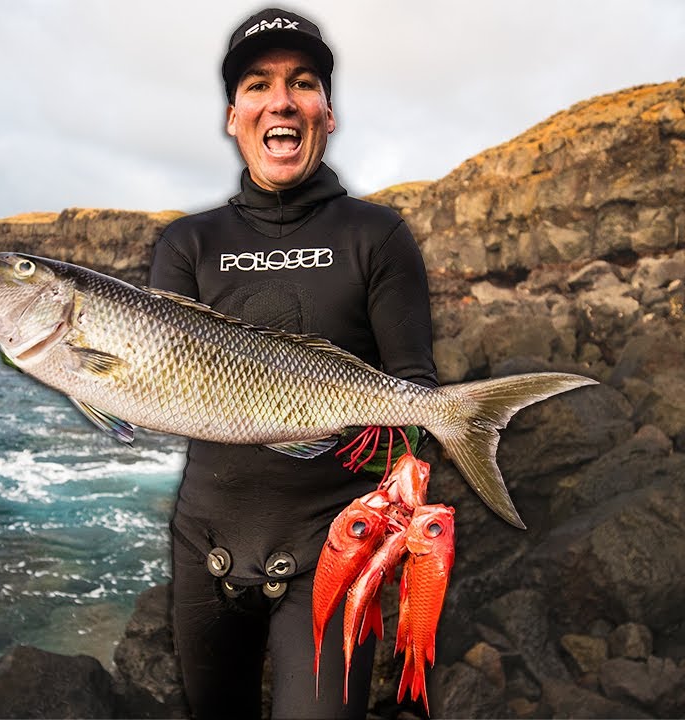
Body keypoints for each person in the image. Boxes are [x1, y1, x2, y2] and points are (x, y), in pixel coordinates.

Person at [148, 7, 437, 718]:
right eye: (258, 84)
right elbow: (157, 382)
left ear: (327, 113)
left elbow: (417, 392)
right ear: (232, 115)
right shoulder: (186, 244)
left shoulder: (377, 235)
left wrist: (405, 467)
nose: (281, 100)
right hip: (204, 546)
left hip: (333, 549)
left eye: (302, 82)